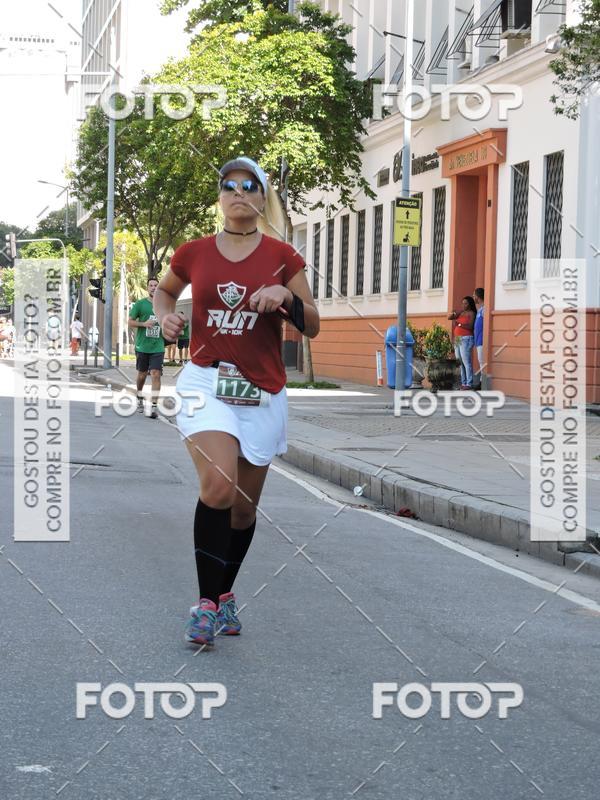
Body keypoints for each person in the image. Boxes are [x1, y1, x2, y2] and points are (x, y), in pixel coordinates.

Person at [153, 156, 320, 647]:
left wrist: (284, 297)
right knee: (219, 485)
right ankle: (204, 606)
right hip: (206, 382)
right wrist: (165, 318)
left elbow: (312, 323)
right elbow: (165, 294)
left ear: (262, 195)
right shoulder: (194, 252)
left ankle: (225, 595)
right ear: (221, 195)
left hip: (262, 390)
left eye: (249, 185)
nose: (238, 192)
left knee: (244, 511)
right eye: (229, 185)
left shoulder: (283, 255)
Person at [128, 278, 165, 419]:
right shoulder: (140, 304)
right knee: (142, 374)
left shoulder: (164, 305)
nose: (153, 287)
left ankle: (154, 407)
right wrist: (144, 324)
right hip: (142, 346)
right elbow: (130, 321)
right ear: (147, 288)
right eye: (151, 285)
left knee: (156, 373)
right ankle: (139, 396)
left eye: (156, 285)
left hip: (158, 346)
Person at [448, 296, 476, 390]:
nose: (464, 305)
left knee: (466, 361)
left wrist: (459, 324)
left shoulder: (471, 313)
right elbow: (450, 317)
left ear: (470, 304)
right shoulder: (461, 313)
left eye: (466, 303)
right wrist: (453, 312)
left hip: (466, 338)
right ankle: (463, 383)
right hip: (458, 339)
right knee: (459, 361)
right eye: (462, 303)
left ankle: (469, 383)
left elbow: (470, 326)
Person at [473, 287, 485, 387]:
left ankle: (482, 382)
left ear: (478, 297)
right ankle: (481, 381)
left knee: (482, 361)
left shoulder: (484, 309)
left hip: (482, 340)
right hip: (478, 340)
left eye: (474, 296)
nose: (473, 297)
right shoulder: (480, 310)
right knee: (480, 361)